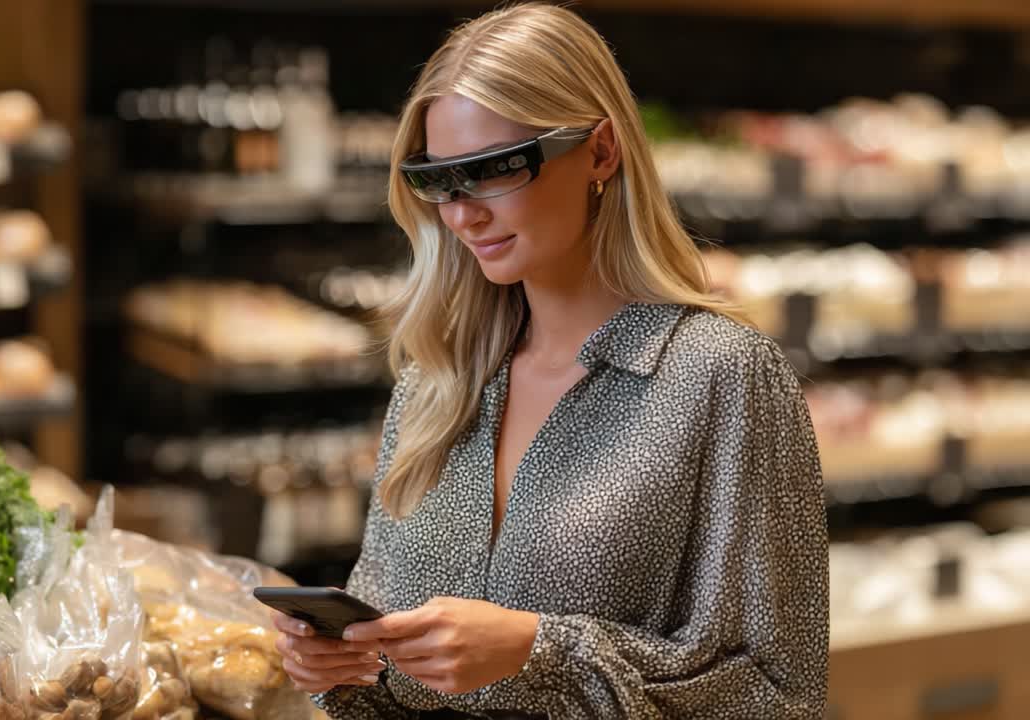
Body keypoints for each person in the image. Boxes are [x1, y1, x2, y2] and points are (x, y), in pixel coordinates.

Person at [270, 3, 828, 718]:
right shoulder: (436, 381)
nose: (462, 214)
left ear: (601, 151)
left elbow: (781, 691)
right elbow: (385, 669)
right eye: (439, 181)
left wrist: (540, 654)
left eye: (496, 171)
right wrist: (341, 667)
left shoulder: (720, 375)